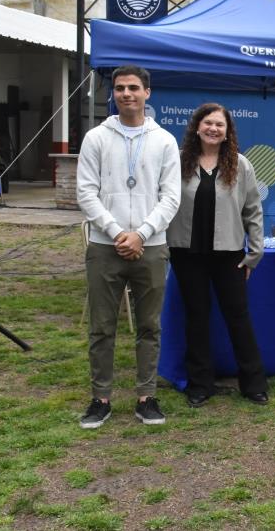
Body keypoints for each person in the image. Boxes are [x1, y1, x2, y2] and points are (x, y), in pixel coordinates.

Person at [76, 65, 180, 428]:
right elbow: (85, 192)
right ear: (113, 94)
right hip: (106, 246)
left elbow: (171, 197)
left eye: (133, 88)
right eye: (120, 88)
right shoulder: (96, 138)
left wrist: (142, 233)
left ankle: (146, 396)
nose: (126, 94)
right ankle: (100, 398)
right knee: (102, 327)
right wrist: (118, 231)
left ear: (147, 93)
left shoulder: (164, 141)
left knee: (149, 326)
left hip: (151, 246)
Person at [166, 103, 268, 408]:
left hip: (229, 255)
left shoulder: (241, 165)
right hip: (187, 253)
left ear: (227, 132)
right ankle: (200, 384)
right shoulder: (178, 163)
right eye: (208, 123)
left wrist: (255, 252)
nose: (213, 128)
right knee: (196, 318)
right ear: (197, 127)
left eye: (219, 125)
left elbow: (253, 210)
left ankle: (253, 384)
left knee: (238, 318)